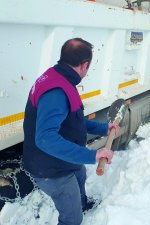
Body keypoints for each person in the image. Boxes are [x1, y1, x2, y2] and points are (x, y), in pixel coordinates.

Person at [22, 38, 119, 225]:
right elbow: (45, 138)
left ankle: (81, 203)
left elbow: (72, 120)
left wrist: (104, 128)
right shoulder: (56, 91)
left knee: (80, 173)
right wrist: (93, 155)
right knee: (72, 219)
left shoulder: (58, 77)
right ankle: (75, 214)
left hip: (61, 160)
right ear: (85, 65)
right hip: (51, 168)